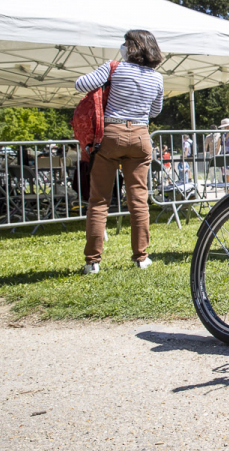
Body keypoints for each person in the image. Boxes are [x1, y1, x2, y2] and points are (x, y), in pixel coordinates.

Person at [76, 29, 164, 274]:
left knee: (99, 200)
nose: (122, 46)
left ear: (132, 46)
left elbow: (80, 84)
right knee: (138, 200)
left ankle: (93, 262)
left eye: (125, 43)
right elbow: (155, 111)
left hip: (111, 134)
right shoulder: (157, 78)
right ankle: (141, 257)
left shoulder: (114, 67)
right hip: (140, 135)